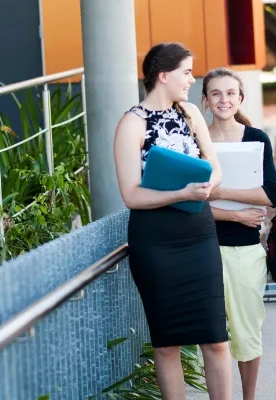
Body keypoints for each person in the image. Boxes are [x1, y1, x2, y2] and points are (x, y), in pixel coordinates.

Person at [112, 42, 233, 400]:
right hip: (156, 242)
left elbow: (215, 166)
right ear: (163, 75)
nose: (191, 79)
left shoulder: (191, 112)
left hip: (199, 234)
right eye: (186, 72)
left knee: (216, 336)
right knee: (167, 344)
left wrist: (211, 183)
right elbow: (131, 195)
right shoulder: (131, 123)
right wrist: (181, 194)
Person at [202, 67, 276, 400]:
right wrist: (233, 212)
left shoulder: (256, 139)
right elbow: (189, 202)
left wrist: (219, 192)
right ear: (205, 101)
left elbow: (271, 194)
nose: (224, 99)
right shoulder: (196, 142)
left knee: (247, 333)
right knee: (211, 334)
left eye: (230, 93)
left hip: (246, 252)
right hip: (204, 250)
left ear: (240, 98)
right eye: (216, 93)